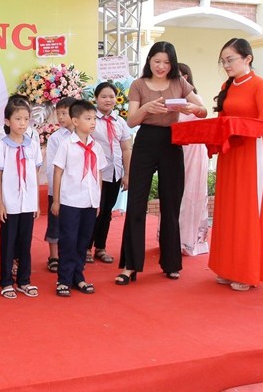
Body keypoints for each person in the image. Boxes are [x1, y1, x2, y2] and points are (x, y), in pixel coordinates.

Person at [119, 42, 208, 283]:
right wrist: (147, 108)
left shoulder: (179, 82)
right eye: (157, 61)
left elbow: (203, 111)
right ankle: (130, 265)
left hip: (172, 142)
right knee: (136, 203)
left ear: (172, 64)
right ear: (149, 60)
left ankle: (171, 263)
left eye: (167, 62)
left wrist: (192, 107)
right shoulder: (138, 85)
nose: (161, 66)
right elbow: (131, 121)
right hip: (145, 141)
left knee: (171, 204)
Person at [208, 39, 263, 291]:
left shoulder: (259, 85)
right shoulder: (226, 86)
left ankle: (246, 272)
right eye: (223, 61)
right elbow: (222, 120)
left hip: (249, 151)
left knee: (246, 210)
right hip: (229, 152)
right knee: (227, 208)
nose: (226, 65)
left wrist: (239, 128)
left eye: (230, 60)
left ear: (247, 59)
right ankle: (227, 267)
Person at [53, 99, 106, 296]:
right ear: (75, 121)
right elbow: (58, 172)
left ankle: (78, 277)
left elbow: (98, 174)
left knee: (83, 241)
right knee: (68, 240)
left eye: (94, 119)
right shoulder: (66, 145)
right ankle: (64, 279)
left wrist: (97, 200)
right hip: (70, 201)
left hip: (90, 202)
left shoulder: (96, 146)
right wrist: (56, 200)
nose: (92, 122)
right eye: (88, 118)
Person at [0, 97, 41, 298]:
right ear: (7, 121)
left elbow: (35, 175)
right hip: (10, 202)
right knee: (8, 243)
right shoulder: (1, 146)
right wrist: (0, 203)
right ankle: (6, 281)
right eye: (18, 119)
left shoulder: (33, 145)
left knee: (25, 243)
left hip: (28, 202)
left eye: (26, 119)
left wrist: (36, 202)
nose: (22, 123)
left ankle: (24, 280)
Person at [88, 82, 132, 264]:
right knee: (93, 211)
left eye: (112, 96)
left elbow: (126, 148)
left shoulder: (120, 121)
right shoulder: (90, 119)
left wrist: (127, 174)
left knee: (106, 212)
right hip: (94, 174)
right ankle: (85, 248)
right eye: (104, 96)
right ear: (96, 98)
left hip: (115, 173)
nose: (108, 100)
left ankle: (101, 247)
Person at [176, 64, 210, 257]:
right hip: (176, 150)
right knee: (175, 194)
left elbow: (203, 116)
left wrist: (194, 108)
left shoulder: (196, 100)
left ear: (186, 77)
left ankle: (191, 240)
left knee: (193, 193)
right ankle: (173, 239)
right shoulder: (167, 100)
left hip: (195, 150)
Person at [43, 97, 76, 272]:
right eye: (58, 114)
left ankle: (70, 254)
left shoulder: (83, 135)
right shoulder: (56, 138)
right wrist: (55, 189)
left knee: (72, 223)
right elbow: (51, 166)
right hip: (58, 188)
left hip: (76, 189)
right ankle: (54, 256)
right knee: (55, 223)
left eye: (64, 113)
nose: (61, 117)